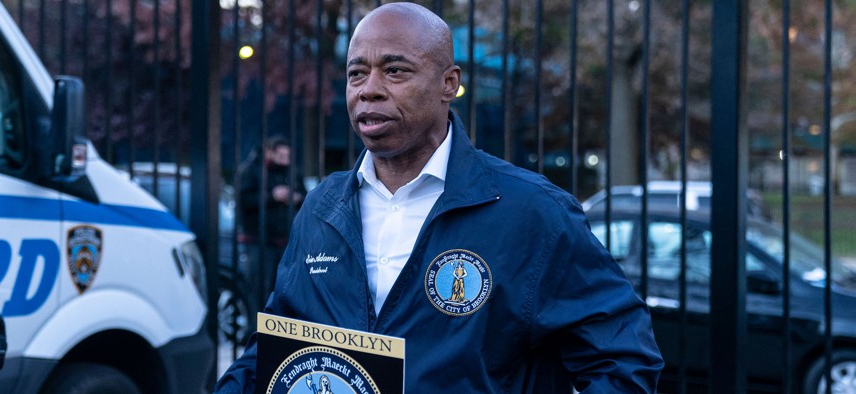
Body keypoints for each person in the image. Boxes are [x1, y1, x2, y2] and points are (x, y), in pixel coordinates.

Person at [216, 3, 663, 393]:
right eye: (356, 73)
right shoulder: (321, 207)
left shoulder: (533, 212)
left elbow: (624, 359)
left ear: (449, 83)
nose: (368, 88)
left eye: (395, 70)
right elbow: (275, 352)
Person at [236, 135, 303, 296]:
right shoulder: (250, 170)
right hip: (258, 240)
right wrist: (272, 196)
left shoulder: (291, 171)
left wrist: (297, 197)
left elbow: (305, 195)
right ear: (269, 152)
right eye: (280, 156)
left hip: (285, 240)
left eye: (287, 156)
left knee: (284, 287)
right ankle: (256, 320)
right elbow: (243, 200)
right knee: (259, 287)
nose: (284, 160)